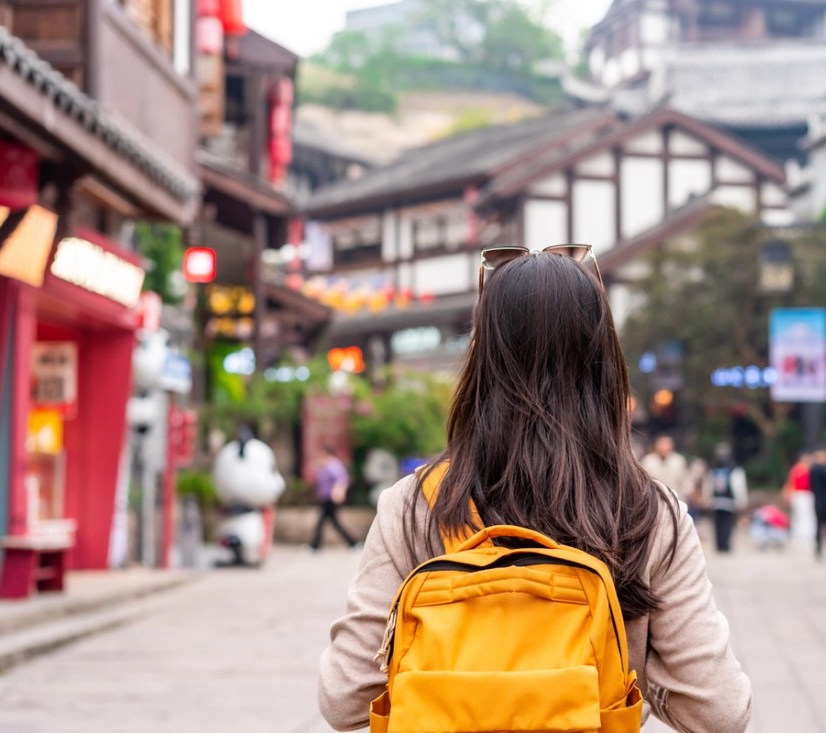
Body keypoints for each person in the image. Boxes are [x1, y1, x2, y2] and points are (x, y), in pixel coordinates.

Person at [319, 249, 752, 732]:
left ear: (481, 358)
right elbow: (719, 712)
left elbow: (344, 699)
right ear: (603, 361)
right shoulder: (647, 512)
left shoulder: (415, 505)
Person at [308, 445, 358, 551]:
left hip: (330, 499)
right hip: (325, 499)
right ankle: (353, 543)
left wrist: (338, 492)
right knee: (333, 523)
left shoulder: (334, 465)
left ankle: (315, 546)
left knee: (322, 522)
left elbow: (342, 479)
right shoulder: (326, 465)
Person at [710, 442, 748, 553]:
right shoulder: (734, 468)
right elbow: (739, 487)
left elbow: (709, 484)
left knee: (718, 524)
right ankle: (725, 545)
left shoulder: (714, 467)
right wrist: (742, 501)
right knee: (727, 524)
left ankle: (720, 545)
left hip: (717, 501)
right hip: (729, 501)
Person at [641, 435, 692, 509]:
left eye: (667, 444)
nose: (664, 447)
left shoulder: (678, 461)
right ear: (656, 446)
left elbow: (684, 481)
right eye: (662, 444)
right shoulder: (648, 461)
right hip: (654, 500)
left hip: (675, 498)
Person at [784, 452, 816, 547]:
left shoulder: (809, 469)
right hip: (799, 494)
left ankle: (807, 534)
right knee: (799, 515)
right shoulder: (797, 469)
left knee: (808, 515)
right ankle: (799, 534)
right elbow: (791, 482)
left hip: (807, 494)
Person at [808, 448, 826, 559]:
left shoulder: (812, 469)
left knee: (818, 526)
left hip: (817, 500)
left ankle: (818, 549)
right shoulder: (824, 470)